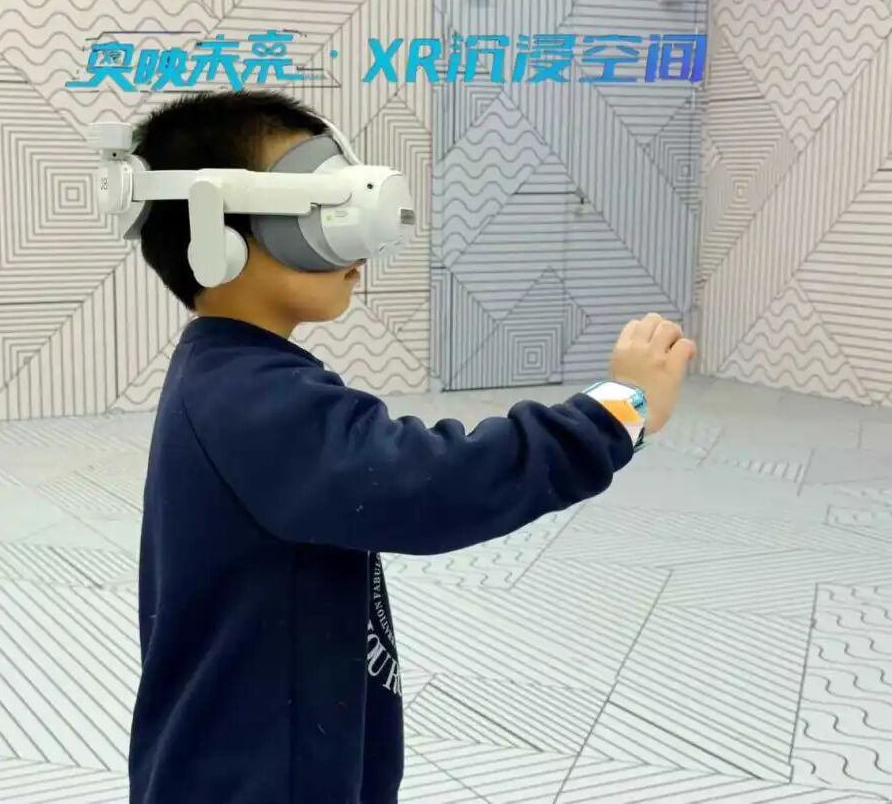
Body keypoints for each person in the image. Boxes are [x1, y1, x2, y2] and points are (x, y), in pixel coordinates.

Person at [127, 90, 695, 804]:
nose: (357, 240)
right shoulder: (250, 400)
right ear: (217, 233)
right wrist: (614, 415)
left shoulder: (233, 375)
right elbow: (431, 484)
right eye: (317, 211)